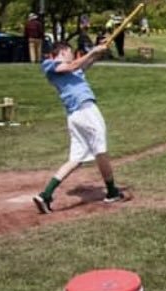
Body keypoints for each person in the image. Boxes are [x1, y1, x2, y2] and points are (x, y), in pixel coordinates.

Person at [30, 42, 123, 214]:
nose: (73, 55)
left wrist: (98, 53)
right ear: (63, 51)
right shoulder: (49, 64)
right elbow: (72, 65)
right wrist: (92, 51)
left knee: (76, 158)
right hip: (84, 110)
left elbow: (83, 65)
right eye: (71, 52)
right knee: (100, 150)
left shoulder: (73, 68)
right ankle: (111, 191)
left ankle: (46, 195)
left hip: (77, 116)